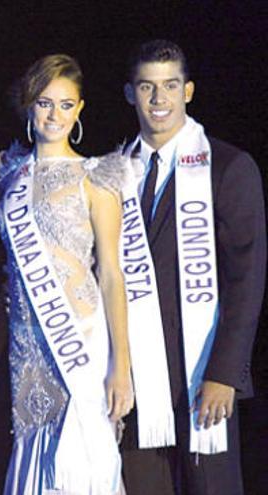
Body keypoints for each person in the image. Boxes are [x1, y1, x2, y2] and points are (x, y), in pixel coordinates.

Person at [0, 54, 133, 494]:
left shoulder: (96, 177)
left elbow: (113, 276)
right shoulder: (10, 179)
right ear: (28, 106)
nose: (54, 115)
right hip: (28, 348)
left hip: (78, 343)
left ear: (79, 110)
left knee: (79, 466)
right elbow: (11, 281)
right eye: (44, 103)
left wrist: (122, 368)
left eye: (65, 104)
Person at [117, 40, 266, 495]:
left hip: (203, 376)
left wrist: (225, 371)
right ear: (130, 94)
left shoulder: (228, 166)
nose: (159, 100)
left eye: (170, 86)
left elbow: (247, 278)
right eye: (147, 87)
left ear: (189, 91)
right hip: (138, 384)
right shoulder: (111, 171)